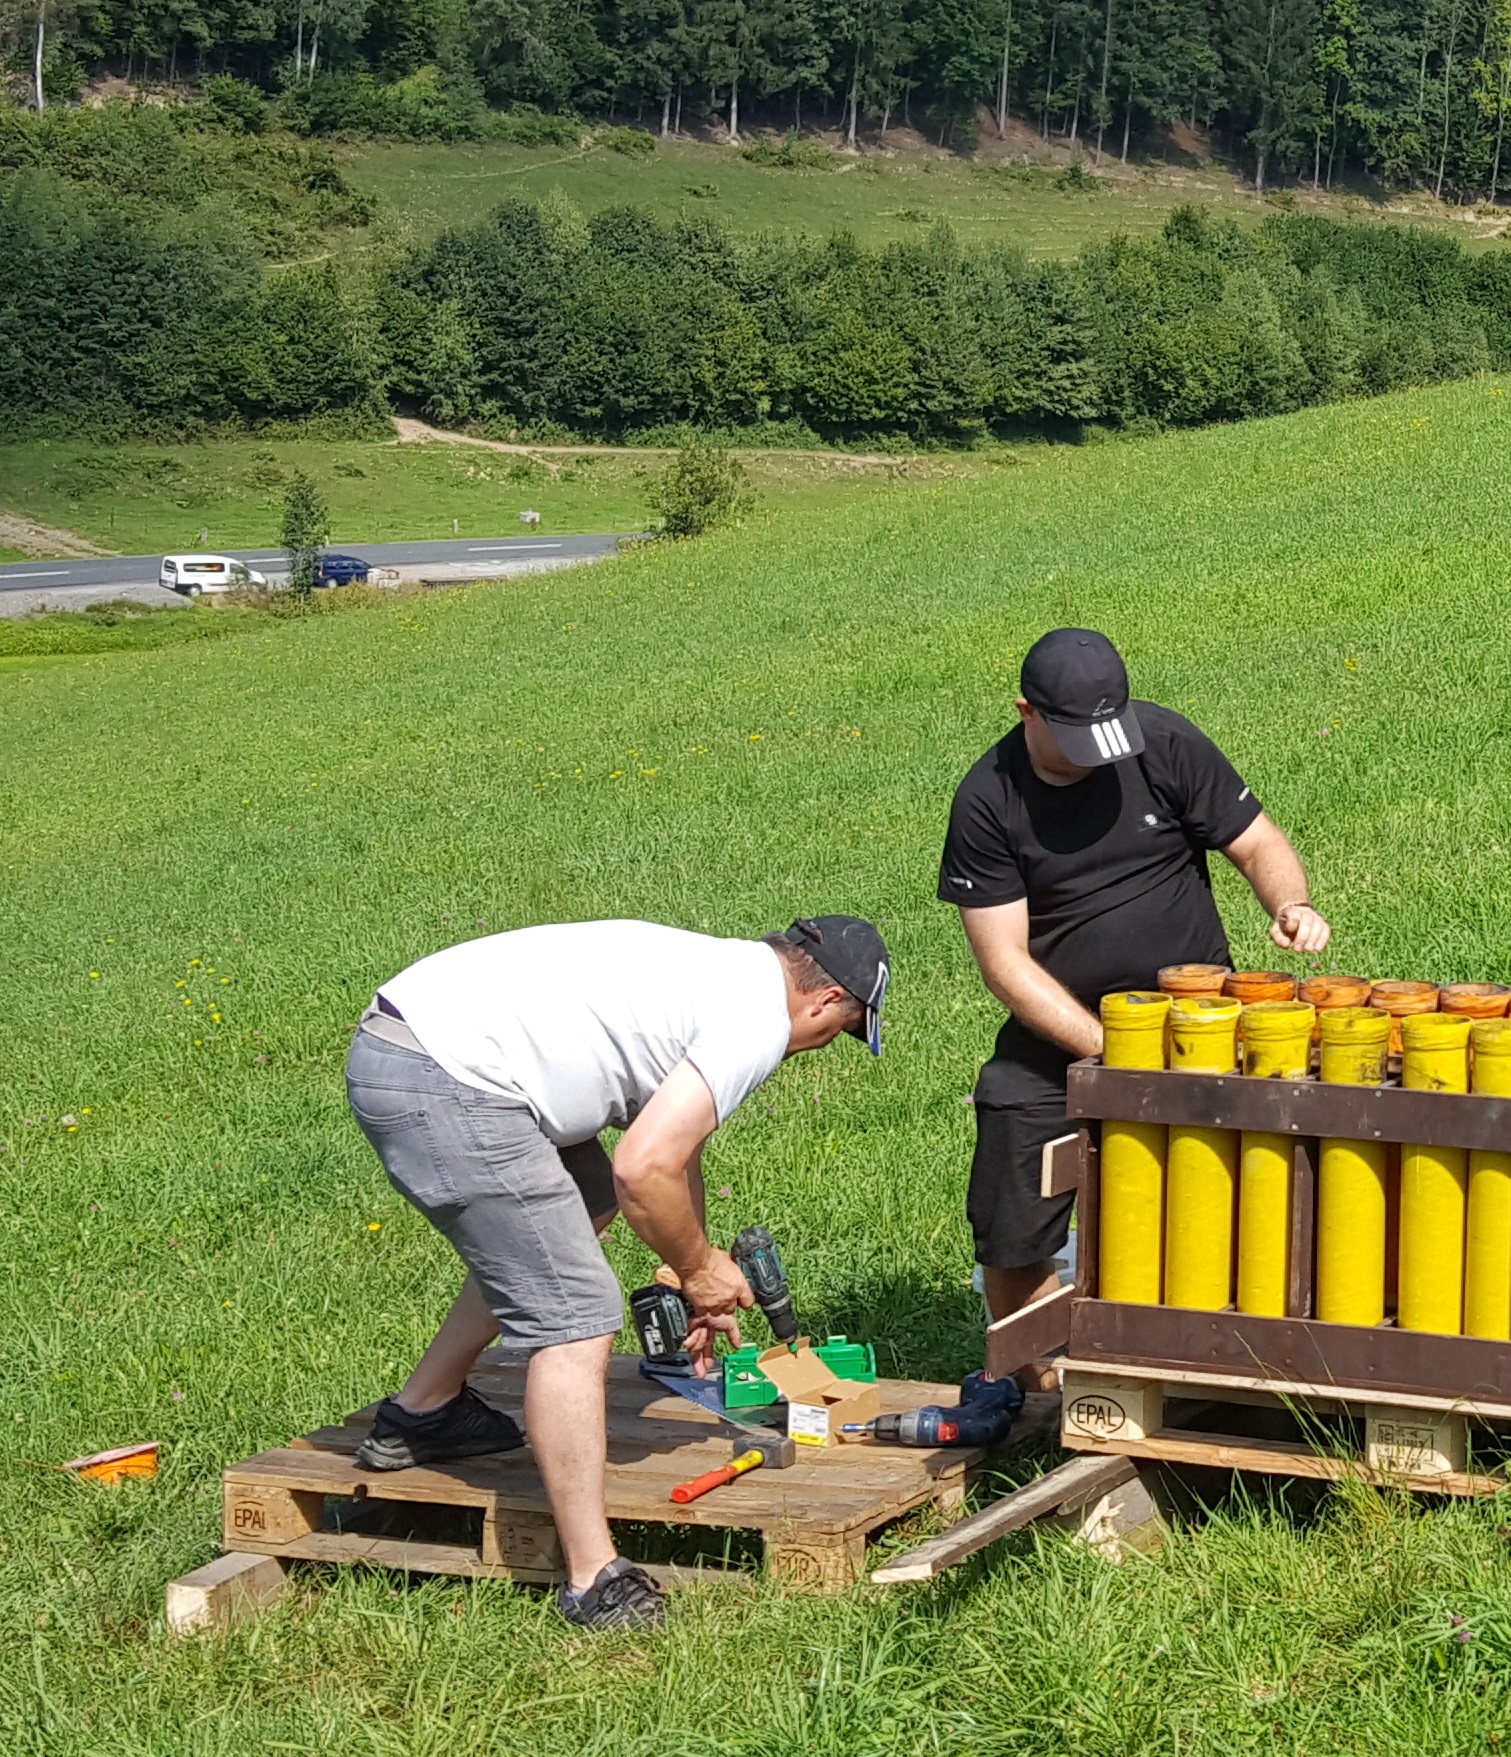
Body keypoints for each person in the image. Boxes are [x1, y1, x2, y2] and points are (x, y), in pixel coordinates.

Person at [343, 915, 890, 1630]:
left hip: (420, 1044)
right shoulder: (755, 1022)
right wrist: (700, 1269)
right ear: (823, 1003)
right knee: (576, 1315)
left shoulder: (724, 974)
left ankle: (422, 1413)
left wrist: (681, 1266)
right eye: (837, 1032)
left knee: (572, 1216)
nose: (818, 1048)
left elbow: (674, 1151)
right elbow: (644, 1166)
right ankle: (592, 1580)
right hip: (445, 1081)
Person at [938, 628, 1330, 1362]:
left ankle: (1224, 1348)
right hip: (1067, 1039)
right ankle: (1037, 1377)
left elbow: (1257, 843)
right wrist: (1110, 1050)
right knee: (1010, 1198)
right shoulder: (988, 802)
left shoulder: (1163, 742)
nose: (1104, 754)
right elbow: (1005, 964)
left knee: (1236, 1193)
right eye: (1080, 737)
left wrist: (1291, 904)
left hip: (1200, 1023)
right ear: (1028, 711)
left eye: (1109, 730)